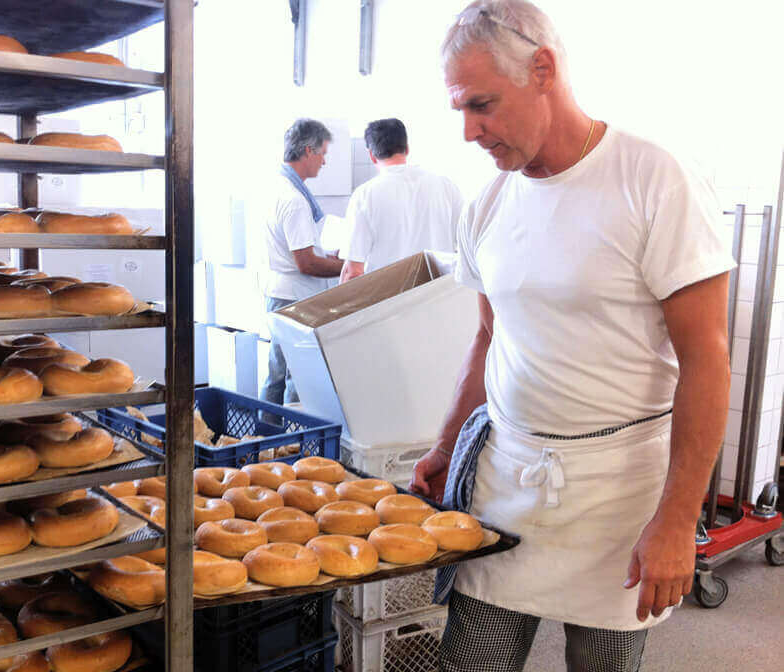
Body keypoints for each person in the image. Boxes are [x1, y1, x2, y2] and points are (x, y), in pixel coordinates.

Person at [409, 2, 735, 671]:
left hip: (619, 495)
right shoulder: (489, 203)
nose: (470, 131)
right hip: (505, 485)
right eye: (460, 112)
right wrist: (447, 443)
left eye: (483, 105)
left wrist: (677, 520)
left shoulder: (652, 176)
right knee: (470, 663)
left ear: (543, 69)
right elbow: (488, 339)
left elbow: (707, 358)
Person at [260, 118, 344, 410]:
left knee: (276, 374)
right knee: (297, 378)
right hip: (296, 298)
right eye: (322, 154)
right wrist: (347, 266)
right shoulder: (294, 200)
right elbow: (306, 263)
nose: (324, 162)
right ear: (308, 151)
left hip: (279, 294)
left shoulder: (275, 187)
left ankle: (266, 439)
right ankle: (292, 443)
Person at [339, 118, 463, 283]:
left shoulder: (364, 195)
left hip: (389, 301)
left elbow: (353, 272)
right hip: (439, 296)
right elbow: (465, 248)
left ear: (372, 155)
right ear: (407, 148)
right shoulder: (446, 186)